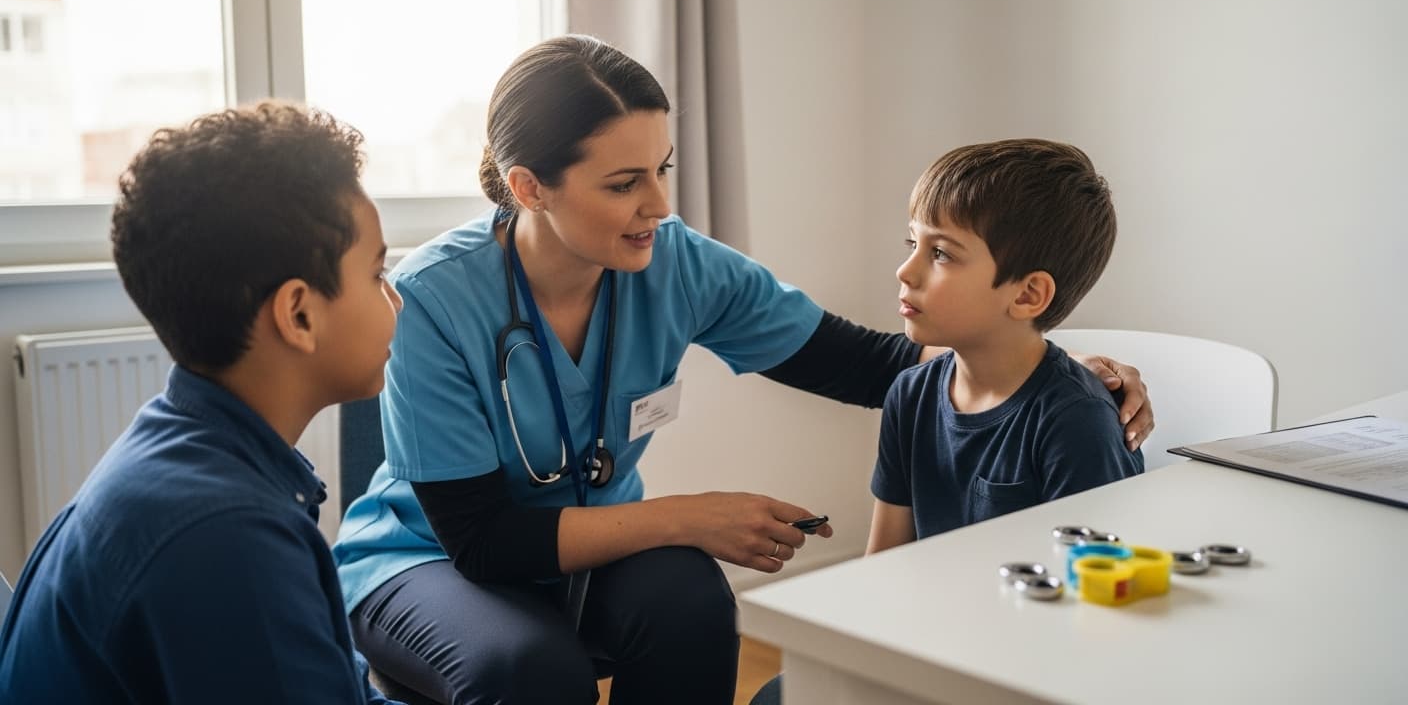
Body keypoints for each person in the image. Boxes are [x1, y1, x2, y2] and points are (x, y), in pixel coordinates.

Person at [332, 35, 1154, 705]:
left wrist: (1043, 365)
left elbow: (869, 364)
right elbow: (483, 540)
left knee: (691, 604)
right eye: (624, 183)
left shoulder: (673, 261)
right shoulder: (435, 299)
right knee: (531, 672)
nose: (659, 205)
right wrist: (691, 516)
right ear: (529, 187)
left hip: (582, 551)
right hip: (428, 561)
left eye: (663, 169)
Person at [0, 103, 405, 704]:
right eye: (376, 274)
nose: (395, 299)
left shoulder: (190, 447)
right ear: (298, 313)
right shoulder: (229, 541)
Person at [868, 138, 1144, 554]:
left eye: (941, 252)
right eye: (914, 244)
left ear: (1028, 295)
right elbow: (882, 566)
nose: (906, 271)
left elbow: (1093, 587)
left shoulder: (1076, 421)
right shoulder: (910, 395)